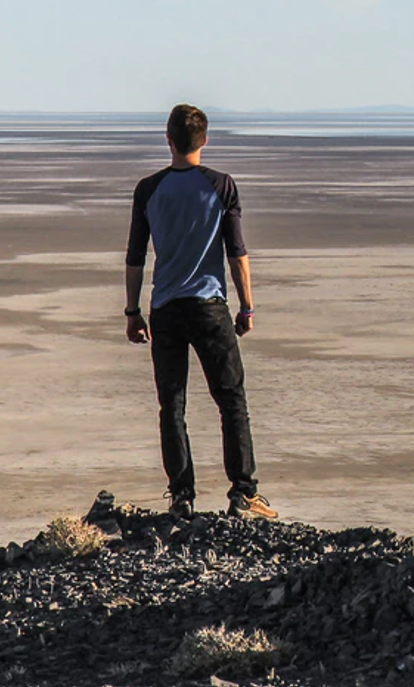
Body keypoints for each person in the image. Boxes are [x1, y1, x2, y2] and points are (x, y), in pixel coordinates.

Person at [124, 103, 277, 521]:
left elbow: (135, 256)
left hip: (165, 310)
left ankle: (181, 496)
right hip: (210, 308)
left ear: (168, 140)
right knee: (231, 400)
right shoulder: (221, 186)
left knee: (172, 404)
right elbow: (237, 252)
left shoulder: (149, 189)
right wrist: (247, 306)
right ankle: (243, 493)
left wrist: (132, 311)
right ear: (204, 141)